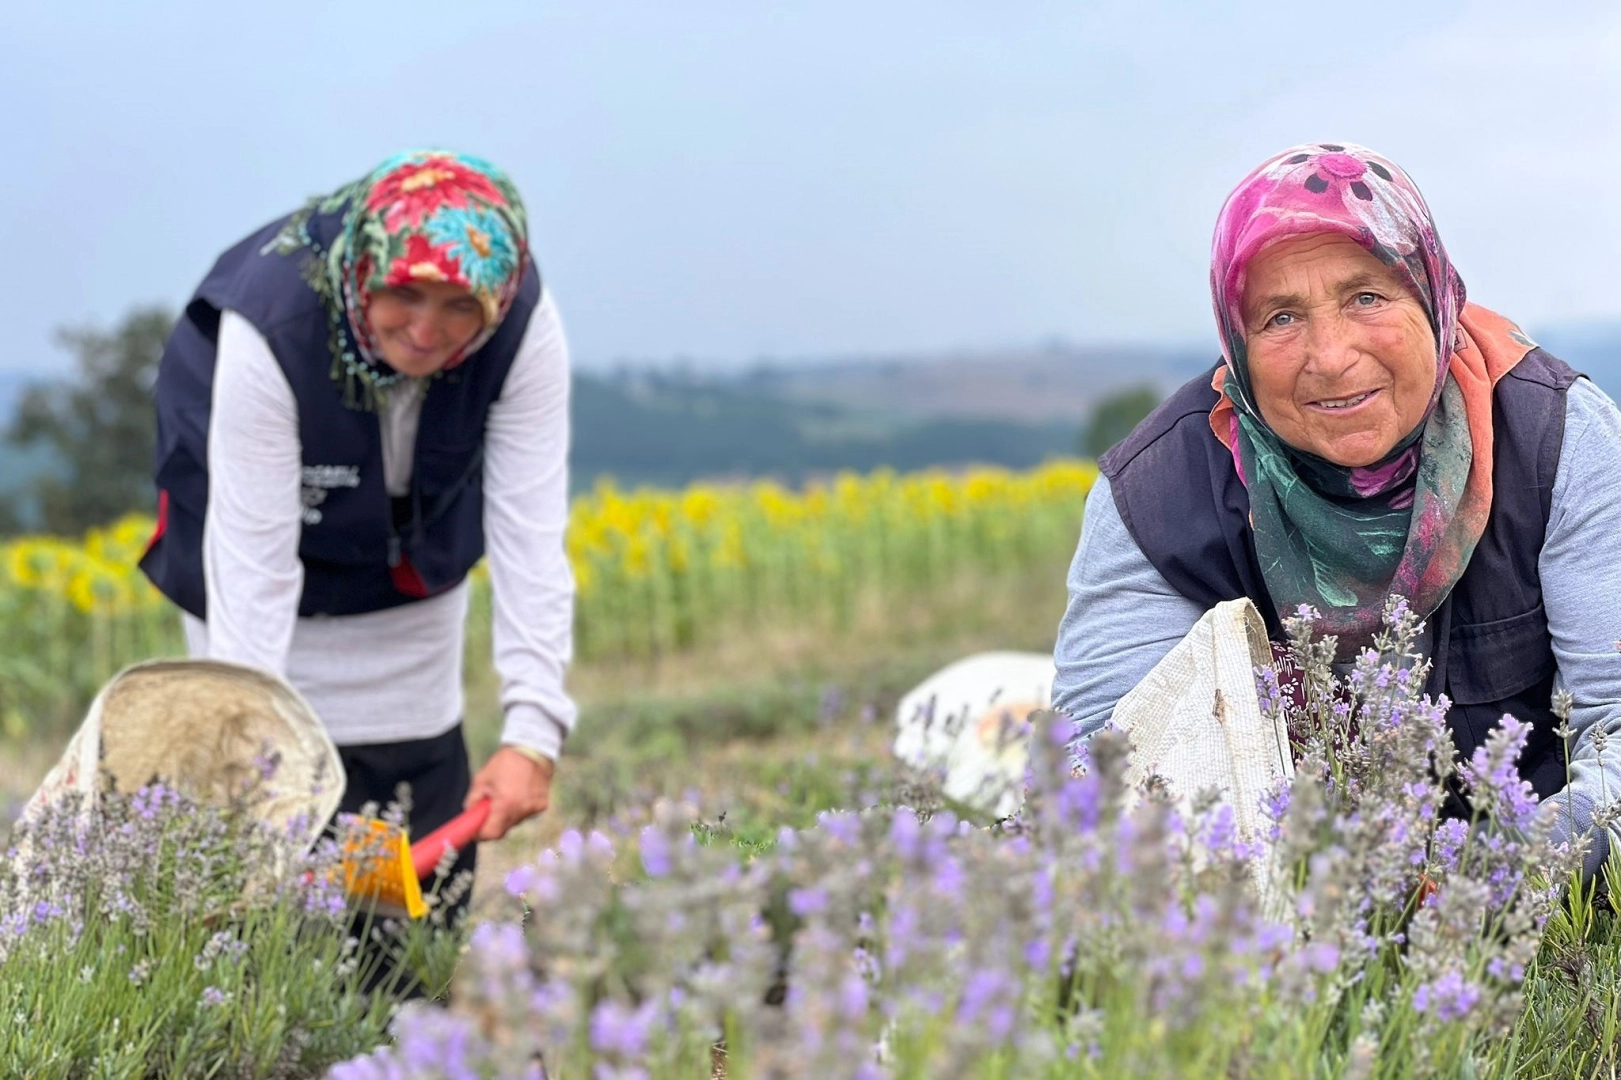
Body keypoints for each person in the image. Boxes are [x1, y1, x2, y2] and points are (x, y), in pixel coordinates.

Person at [1053, 142, 1621, 874]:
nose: (1329, 355)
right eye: (1280, 317)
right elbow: (1099, 767)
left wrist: (1502, 881)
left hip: (1536, 894)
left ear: (1433, 297)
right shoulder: (1157, 493)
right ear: (1237, 341)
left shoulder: (1554, 436)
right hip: (1273, 900)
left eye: (1365, 297)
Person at [140, 150, 576, 908]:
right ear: (363, 277)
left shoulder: (521, 324)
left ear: (495, 299)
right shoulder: (269, 324)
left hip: (406, 577)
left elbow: (530, 531)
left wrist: (533, 730)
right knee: (266, 844)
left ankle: (398, 1010)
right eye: (404, 293)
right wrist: (246, 740)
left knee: (402, 837)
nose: (426, 330)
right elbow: (253, 559)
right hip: (260, 573)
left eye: (459, 306)